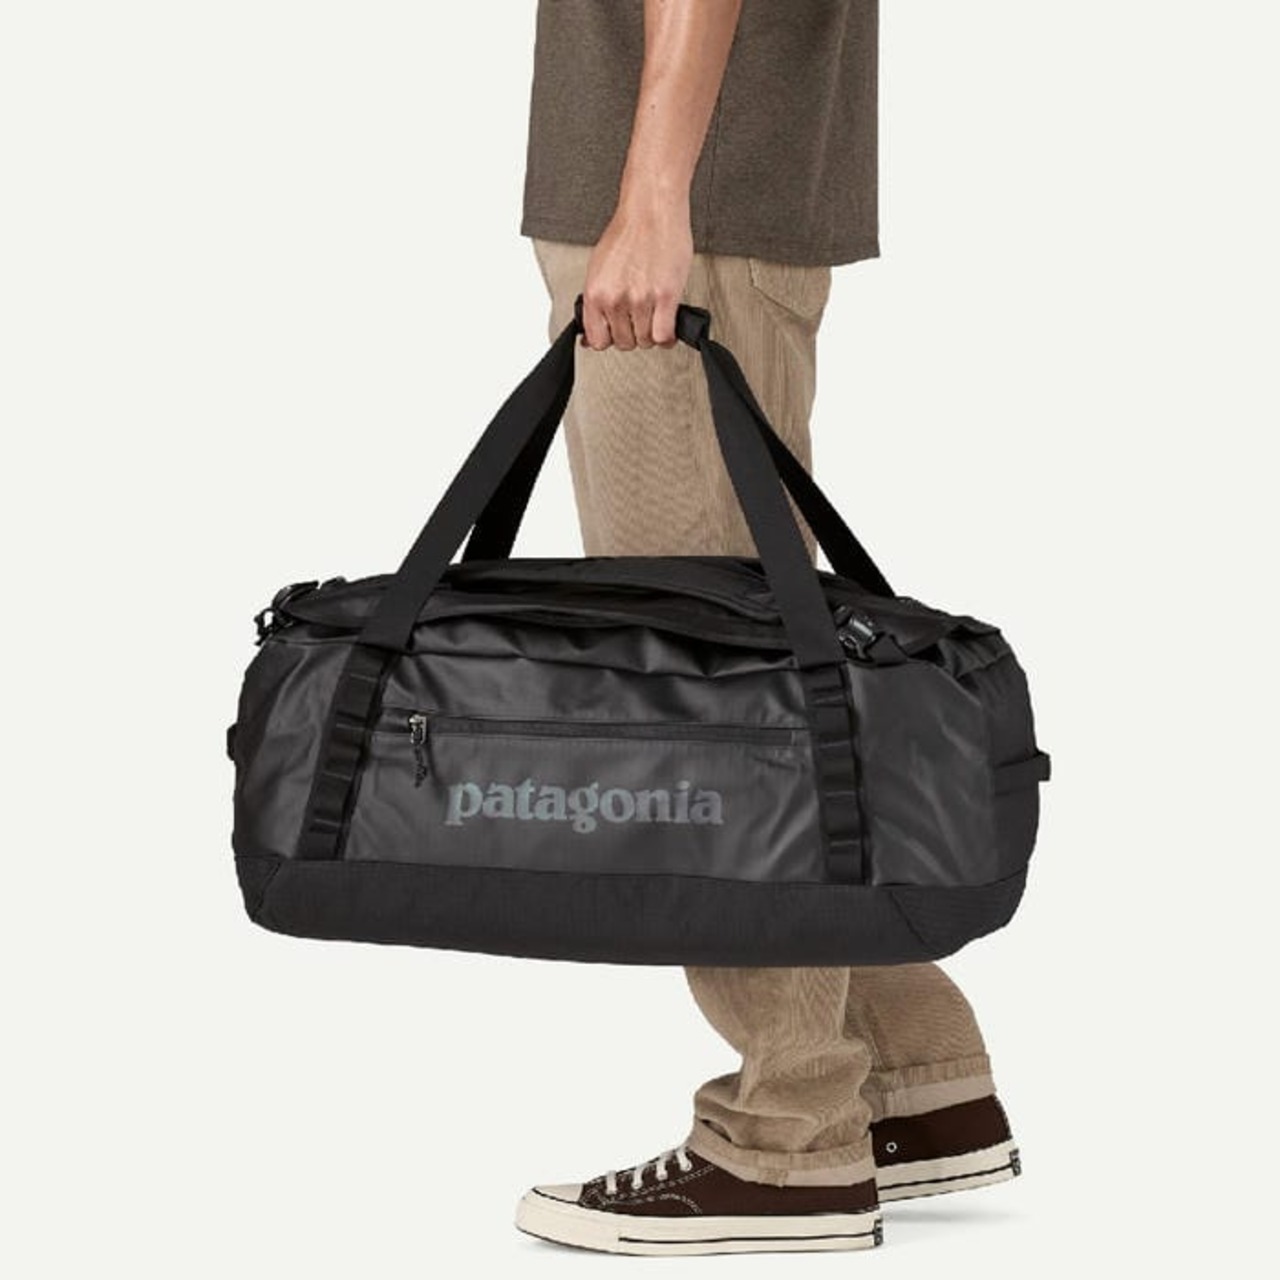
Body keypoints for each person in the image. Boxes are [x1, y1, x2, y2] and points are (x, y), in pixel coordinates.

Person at [514, 1, 1018, 1256]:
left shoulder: (666, 214)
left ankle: (787, 1137)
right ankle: (912, 1080)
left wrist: (650, 195)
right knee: (759, 682)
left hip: (680, 214)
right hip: (711, 202)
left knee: (711, 714)